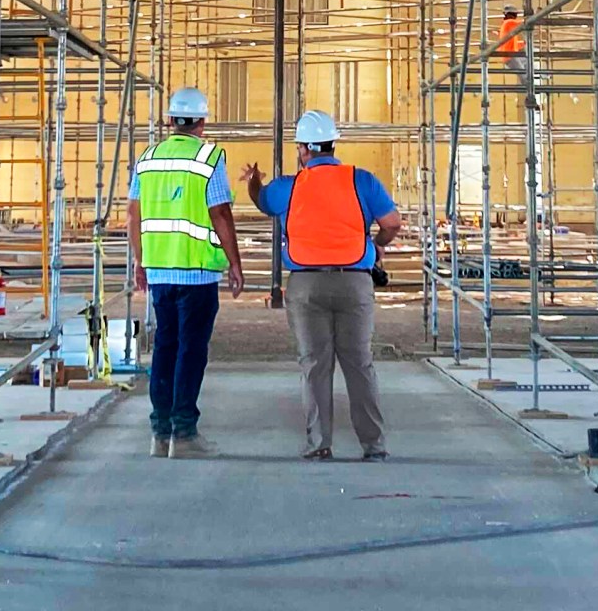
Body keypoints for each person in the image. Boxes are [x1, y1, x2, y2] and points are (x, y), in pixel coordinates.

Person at [244, 110, 403, 462]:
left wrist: (254, 179)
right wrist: (376, 245)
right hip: (355, 284)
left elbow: (261, 200)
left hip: (306, 286)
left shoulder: (289, 186)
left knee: (315, 365)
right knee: (359, 363)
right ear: (333, 144)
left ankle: (319, 445)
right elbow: (393, 223)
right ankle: (374, 446)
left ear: (303, 149)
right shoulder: (362, 180)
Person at [129, 86, 245, 459]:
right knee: (191, 350)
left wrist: (139, 260)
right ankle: (184, 433)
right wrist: (235, 263)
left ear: (169, 120)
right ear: (202, 121)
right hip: (196, 274)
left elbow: (133, 213)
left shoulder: (147, 158)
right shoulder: (209, 157)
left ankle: (159, 433)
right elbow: (220, 212)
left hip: (160, 271)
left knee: (165, 347)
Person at [499, 7, 544, 112]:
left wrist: (523, 44)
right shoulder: (508, 23)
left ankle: (538, 76)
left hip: (513, 54)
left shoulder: (508, 26)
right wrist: (536, 16)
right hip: (510, 57)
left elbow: (512, 44)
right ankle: (531, 99)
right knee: (524, 77)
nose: (515, 17)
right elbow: (524, 23)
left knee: (529, 61)